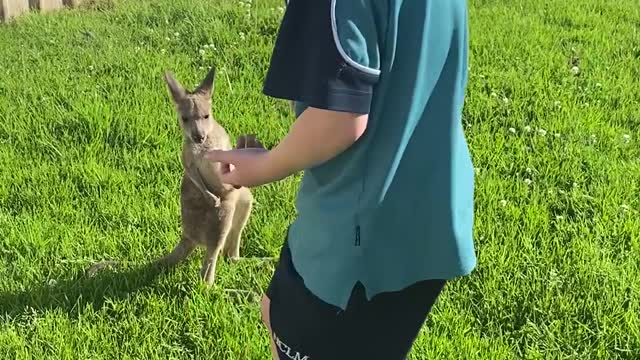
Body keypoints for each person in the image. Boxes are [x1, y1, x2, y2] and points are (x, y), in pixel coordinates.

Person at [205, 0, 476, 358]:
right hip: (434, 214)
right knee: (275, 309)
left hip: (358, 240)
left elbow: (340, 119)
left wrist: (265, 166)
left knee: (289, 331)